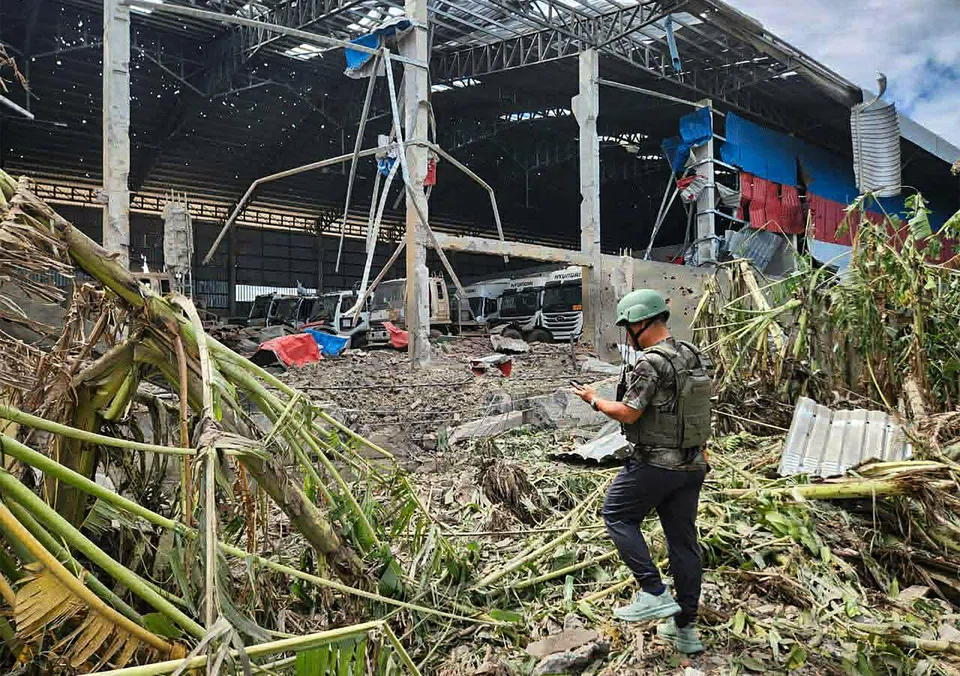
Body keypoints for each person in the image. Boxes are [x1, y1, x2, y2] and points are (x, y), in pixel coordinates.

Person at [573, 289, 711, 654]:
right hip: (693, 464)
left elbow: (629, 413)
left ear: (639, 323)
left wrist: (594, 400)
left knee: (617, 514)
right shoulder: (693, 355)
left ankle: (653, 591)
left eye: (627, 325)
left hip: (655, 464)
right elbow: (696, 411)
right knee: (684, 544)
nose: (627, 332)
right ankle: (686, 630)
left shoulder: (651, 363)